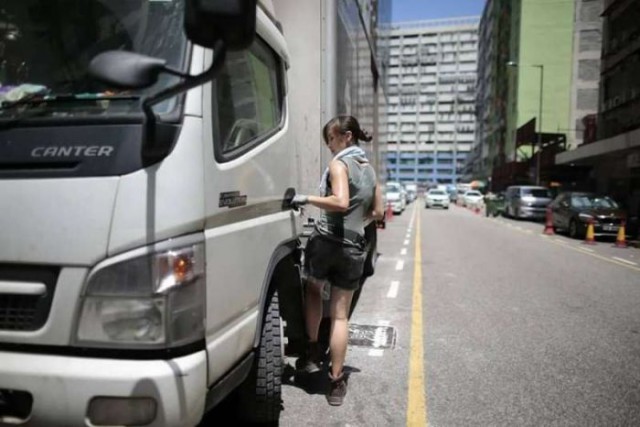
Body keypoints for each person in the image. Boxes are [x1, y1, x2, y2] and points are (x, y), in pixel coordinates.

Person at [291, 115, 384, 406]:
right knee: (341, 316)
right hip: (354, 246)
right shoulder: (370, 171)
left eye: (331, 139)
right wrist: (358, 224)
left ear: (346, 136)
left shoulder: (338, 164)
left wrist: (305, 198)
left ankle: (311, 351)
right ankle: (336, 382)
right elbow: (378, 212)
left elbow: (340, 201)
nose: (329, 146)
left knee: (315, 291)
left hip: (326, 243)